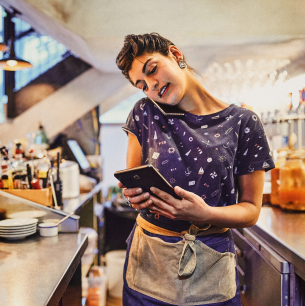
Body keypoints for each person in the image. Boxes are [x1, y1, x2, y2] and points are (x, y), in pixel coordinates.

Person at [115, 33, 275, 306]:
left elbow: (251, 210)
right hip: (150, 258)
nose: (151, 86)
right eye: (142, 85)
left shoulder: (243, 122)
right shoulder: (145, 113)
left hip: (211, 259)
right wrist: (134, 197)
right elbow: (133, 183)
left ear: (176, 55)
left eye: (152, 70)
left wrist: (207, 214)